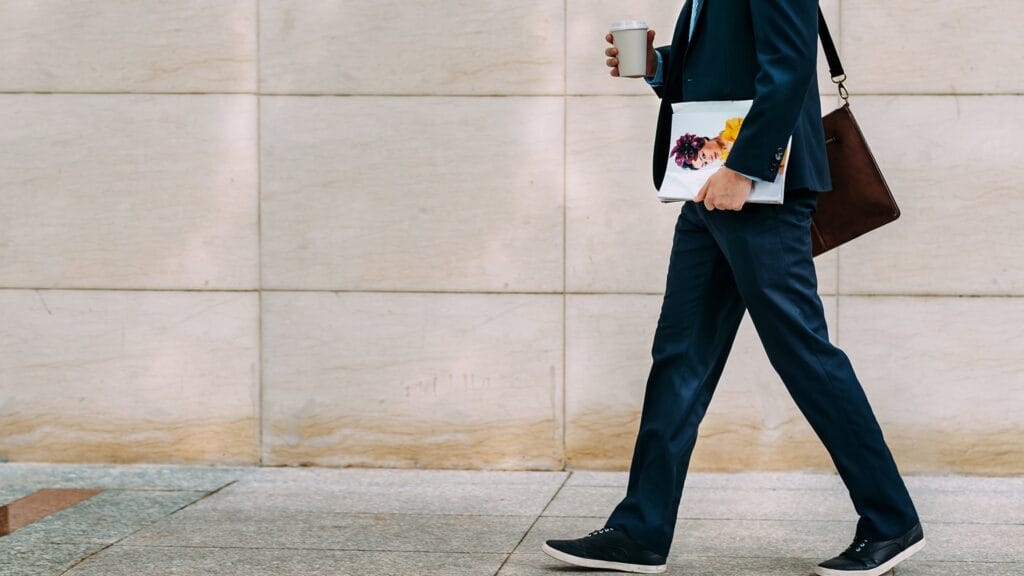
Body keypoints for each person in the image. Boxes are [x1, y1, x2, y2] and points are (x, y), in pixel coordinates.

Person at [541, 2, 926, 575]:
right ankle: (639, 530)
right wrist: (656, 65)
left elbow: (789, 65)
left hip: (755, 190)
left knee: (803, 354)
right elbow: (722, 68)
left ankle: (892, 520)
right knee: (680, 356)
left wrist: (745, 168)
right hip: (709, 187)